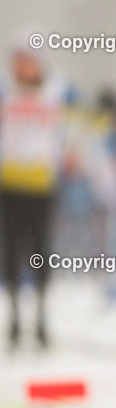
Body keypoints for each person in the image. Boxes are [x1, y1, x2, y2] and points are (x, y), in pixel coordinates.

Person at [0, 32, 78, 349]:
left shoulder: (58, 90)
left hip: (43, 183)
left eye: (31, 59)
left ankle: (42, 317)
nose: (26, 66)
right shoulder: (4, 89)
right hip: (9, 182)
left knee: (39, 250)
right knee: (11, 250)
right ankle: (16, 316)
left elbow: (85, 118)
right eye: (20, 59)